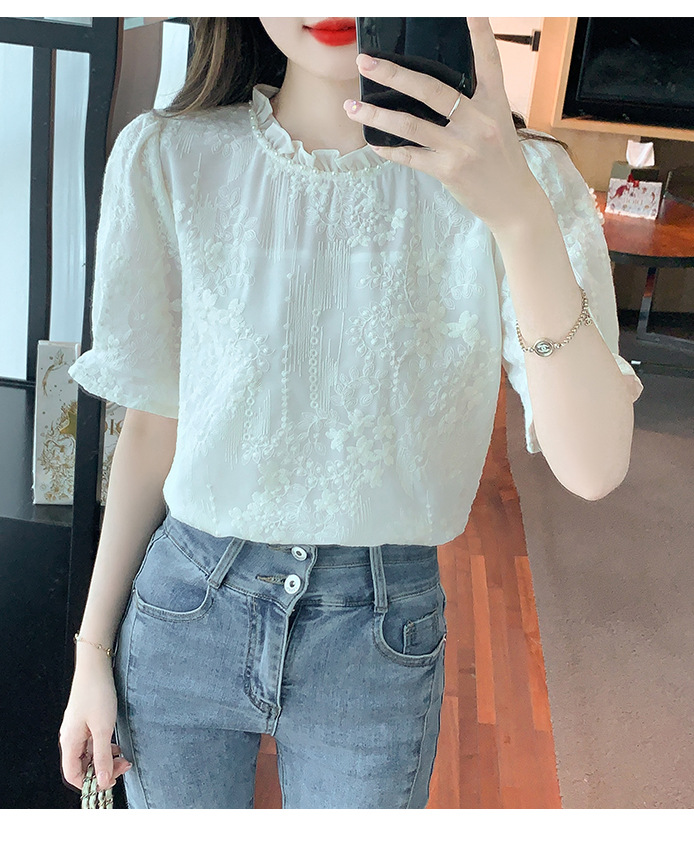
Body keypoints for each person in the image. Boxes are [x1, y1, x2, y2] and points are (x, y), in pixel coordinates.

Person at [59, 17, 644, 809]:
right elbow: (154, 427)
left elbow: (595, 465)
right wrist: (92, 648)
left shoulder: (525, 181)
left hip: (377, 637)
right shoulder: (171, 159)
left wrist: (519, 216)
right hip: (184, 611)